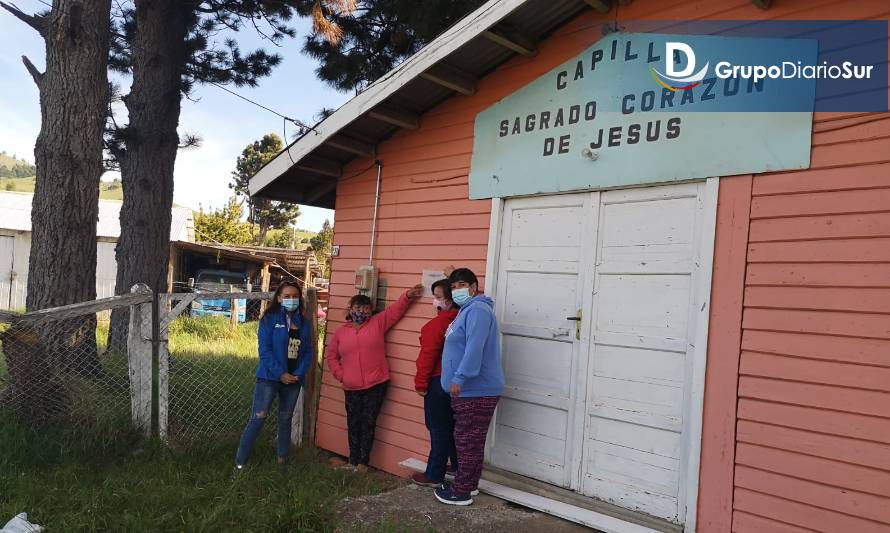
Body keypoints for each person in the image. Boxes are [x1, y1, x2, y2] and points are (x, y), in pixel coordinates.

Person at [325, 284, 424, 471]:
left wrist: (408, 296)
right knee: (353, 423)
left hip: (376, 384)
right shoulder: (341, 332)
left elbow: (395, 311)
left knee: (368, 422)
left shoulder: (377, 323)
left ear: (371, 311)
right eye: (357, 308)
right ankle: (352, 460)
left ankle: (363, 462)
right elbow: (331, 356)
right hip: (351, 385)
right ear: (350, 309)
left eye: (365, 308)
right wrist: (341, 375)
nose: (361, 311)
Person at [435, 268, 504, 506]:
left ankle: (461, 491)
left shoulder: (478, 311)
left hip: (475, 388)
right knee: (471, 438)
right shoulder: (467, 310)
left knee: (466, 440)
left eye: (462, 285)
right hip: (469, 389)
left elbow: (475, 347)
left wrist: (460, 378)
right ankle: (470, 484)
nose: (457, 290)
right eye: (453, 287)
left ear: (474, 287)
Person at [235, 281, 314, 469]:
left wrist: (298, 373)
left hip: (294, 380)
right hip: (269, 379)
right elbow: (265, 351)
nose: (291, 299)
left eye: (295, 296)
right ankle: (240, 462)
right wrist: (281, 374)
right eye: (286, 296)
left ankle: (282, 459)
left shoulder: (303, 322)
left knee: (285, 418)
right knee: (258, 417)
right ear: (279, 298)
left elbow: (308, 351)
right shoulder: (269, 319)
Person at [410, 279, 459, 487]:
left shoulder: (437, 324)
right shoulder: (464, 319)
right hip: (458, 382)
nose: (435, 301)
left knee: (438, 427)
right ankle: (457, 466)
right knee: (455, 426)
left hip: (437, 381)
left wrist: (421, 384)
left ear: (449, 299)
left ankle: (434, 474)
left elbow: (427, 356)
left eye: (438, 297)